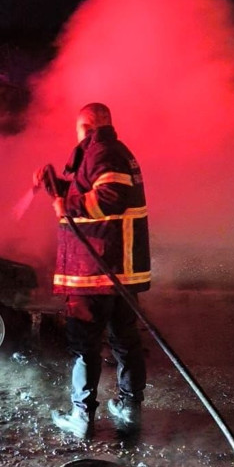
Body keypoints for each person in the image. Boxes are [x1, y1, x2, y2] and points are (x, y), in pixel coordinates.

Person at [34, 103, 151, 440]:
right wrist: (55, 186)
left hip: (96, 271)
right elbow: (91, 189)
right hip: (117, 273)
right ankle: (129, 408)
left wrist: (67, 205)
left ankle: (81, 417)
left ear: (85, 127)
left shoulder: (103, 153)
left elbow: (110, 197)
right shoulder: (112, 153)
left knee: (85, 345)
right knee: (125, 341)